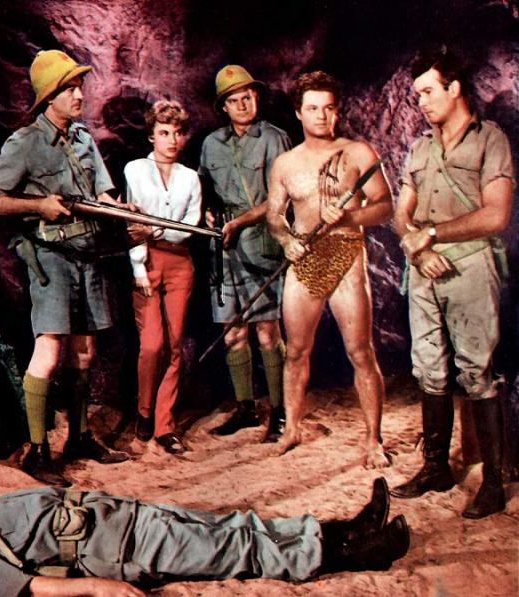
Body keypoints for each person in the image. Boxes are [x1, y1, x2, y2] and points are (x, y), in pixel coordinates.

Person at [0, 49, 129, 487]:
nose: (79, 95)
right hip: (51, 258)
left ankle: (79, 438)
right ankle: (38, 450)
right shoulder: (25, 142)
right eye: (69, 89)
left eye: (79, 87)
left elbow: (103, 195)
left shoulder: (83, 139)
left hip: (89, 255)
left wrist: (122, 209)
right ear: (48, 97)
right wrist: (38, 205)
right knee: (50, 351)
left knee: (85, 352)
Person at [0, 478, 409, 595]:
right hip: (125, 549)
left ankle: (347, 529)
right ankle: (360, 554)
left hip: (127, 518)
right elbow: (34, 587)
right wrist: (100, 587)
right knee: (235, 551)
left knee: (236, 526)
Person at [392, 49, 514, 518]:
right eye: (417, 94)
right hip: (424, 268)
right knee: (428, 368)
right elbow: (402, 213)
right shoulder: (421, 147)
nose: (421, 102)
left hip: (470, 265)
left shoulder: (490, 140)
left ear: (454, 87)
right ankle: (436, 467)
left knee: (476, 371)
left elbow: (496, 215)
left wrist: (433, 235)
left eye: (428, 91)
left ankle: (493, 484)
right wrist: (420, 250)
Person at [266, 71, 393, 468]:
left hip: (346, 254)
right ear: (299, 113)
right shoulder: (285, 163)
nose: (321, 116)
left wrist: (350, 216)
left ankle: (373, 440)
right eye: (313, 108)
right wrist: (286, 240)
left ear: (338, 111)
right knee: (295, 351)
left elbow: (385, 206)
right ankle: (291, 428)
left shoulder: (358, 153)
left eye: (329, 108)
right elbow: (274, 215)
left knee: (360, 351)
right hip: (304, 257)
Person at [199, 65, 292, 442]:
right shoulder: (211, 144)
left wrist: (239, 222)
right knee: (233, 332)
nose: (243, 105)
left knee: (268, 331)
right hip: (223, 249)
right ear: (223, 106)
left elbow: (280, 198)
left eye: (248, 97)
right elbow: (206, 188)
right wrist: (208, 212)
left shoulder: (274, 138)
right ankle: (245, 408)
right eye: (234, 100)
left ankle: (280, 412)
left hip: (261, 242)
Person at [125, 100, 201, 454]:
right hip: (146, 262)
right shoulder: (135, 170)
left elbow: (188, 229)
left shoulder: (190, 178)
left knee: (174, 345)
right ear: (151, 136)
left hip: (180, 264)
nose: (172, 140)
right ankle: (143, 411)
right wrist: (139, 266)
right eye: (164, 132)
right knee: (152, 344)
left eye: (178, 133)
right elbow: (132, 225)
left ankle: (164, 425)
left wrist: (154, 230)